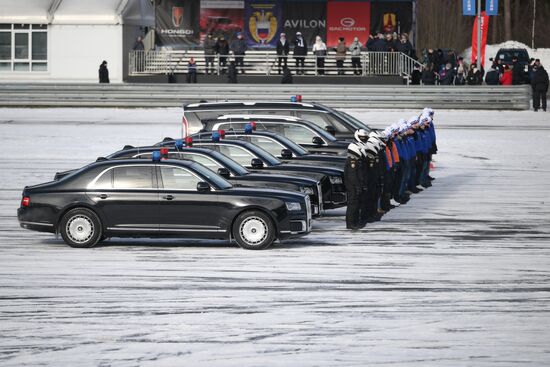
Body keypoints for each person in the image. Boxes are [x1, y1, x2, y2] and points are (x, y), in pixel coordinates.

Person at [344, 141, 366, 230]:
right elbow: (352, 176)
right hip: (352, 186)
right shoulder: (352, 161)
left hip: (355, 186)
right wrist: (357, 186)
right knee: (352, 205)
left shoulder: (355, 159)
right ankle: (350, 223)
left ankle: (355, 222)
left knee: (356, 204)